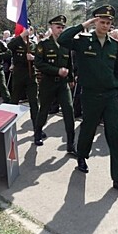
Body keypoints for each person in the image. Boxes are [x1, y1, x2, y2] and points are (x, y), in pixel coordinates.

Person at [57, 5, 118, 198]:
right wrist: (83, 25)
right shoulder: (83, 41)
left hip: (110, 96)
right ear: (95, 21)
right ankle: (82, 156)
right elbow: (63, 39)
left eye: (108, 23)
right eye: (101, 21)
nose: (105, 25)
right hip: (90, 95)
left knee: (114, 136)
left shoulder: (114, 44)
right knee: (88, 129)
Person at [34, 15, 76, 154]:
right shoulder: (44, 44)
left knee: (69, 111)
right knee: (44, 109)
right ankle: (38, 132)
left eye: (62, 27)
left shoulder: (66, 43)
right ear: (51, 28)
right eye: (58, 27)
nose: (60, 30)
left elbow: (69, 62)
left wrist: (70, 78)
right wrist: (57, 71)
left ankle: (70, 144)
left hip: (63, 84)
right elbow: (39, 63)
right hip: (48, 82)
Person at [7, 26, 39, 132]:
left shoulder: (34, 45)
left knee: (34, 102)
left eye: (30, 29)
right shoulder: (16, 42)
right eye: (26, 29)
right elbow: (9, 46)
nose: (28, 31)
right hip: (18, 75)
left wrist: (33, 58)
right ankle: (9, 127)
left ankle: (37, 128)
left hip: (31, 75)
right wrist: (22, 35)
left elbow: (40, 58)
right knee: (14, 100)